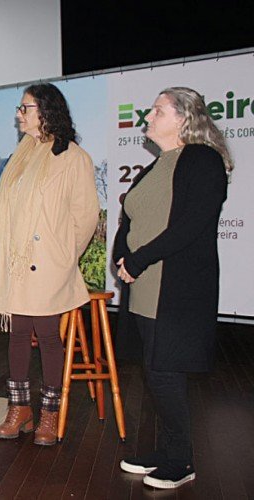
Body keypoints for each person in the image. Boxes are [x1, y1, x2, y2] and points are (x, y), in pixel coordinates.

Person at [113, 87, 231, 490]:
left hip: (175, 288)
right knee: (155, 372)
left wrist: (138, 259)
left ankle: (181, 461)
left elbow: (189, 225)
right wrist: (122, 256)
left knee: (164, 374)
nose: (148, 117)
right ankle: (165, 453)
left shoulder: (203, 160)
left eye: (158, 111)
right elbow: (130, 220)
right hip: (145, 286)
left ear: (185, 118)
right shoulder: (158, 165)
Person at [0, 83, 99, 446]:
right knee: (16, 334)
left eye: (24, 107)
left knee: (48, 336)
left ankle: (49, 413)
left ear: (46, 111)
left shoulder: (74, 157)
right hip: (16, 262)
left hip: (50, 262)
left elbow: (86, 216)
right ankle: (19, 410)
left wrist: (63, 257)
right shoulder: (23, 153)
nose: (19, 113)